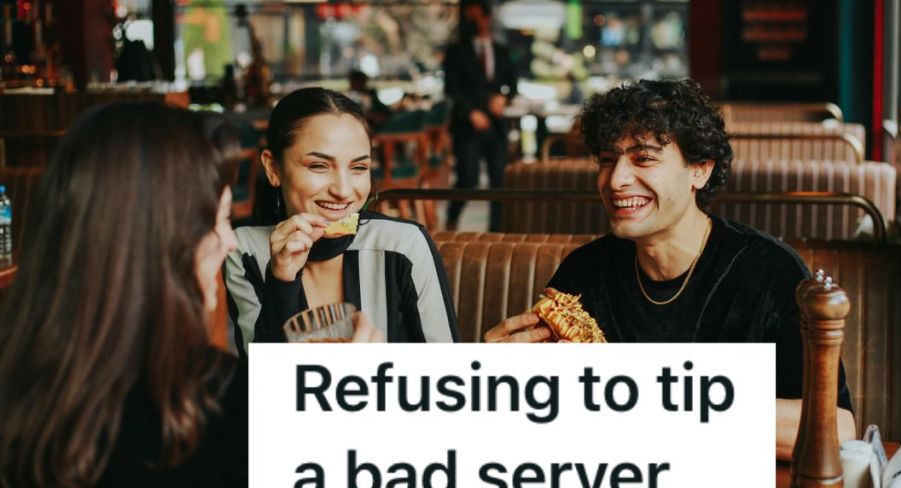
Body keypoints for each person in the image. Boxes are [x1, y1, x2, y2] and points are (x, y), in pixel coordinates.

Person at [483, 79, 855, 458]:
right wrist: (497, 385)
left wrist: (643, 396)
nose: (615, 180)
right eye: (608, 160)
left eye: (643, 158)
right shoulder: (585, 273)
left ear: (700, 169)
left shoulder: (769, 273)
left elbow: (838, 428)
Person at [0, 103, 245, 488]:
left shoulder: (19, 384)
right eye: (221, 221)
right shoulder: (212, 402)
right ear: (166, 238)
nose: (230, 243)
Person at [225, 87, 458, 352]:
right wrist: (282, 283)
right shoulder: (246, 252)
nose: (344, 190)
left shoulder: (404, 245)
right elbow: (264, 385)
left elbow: (447, 375)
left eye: (359, 168)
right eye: (319, 166)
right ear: (273, 168)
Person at [442, 0, 517, 231]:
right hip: (467, 125)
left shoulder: (502, 51)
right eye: (469, 18)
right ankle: (452, 221)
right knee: (468, 178)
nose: (474, 22)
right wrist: (471, 112)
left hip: (496, 126)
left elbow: (512, 85)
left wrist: (503, 97)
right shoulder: (456, 51)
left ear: (487, 18)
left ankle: (497, 229)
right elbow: (451, 88)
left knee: (498, 181)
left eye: (477, 17)